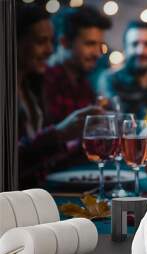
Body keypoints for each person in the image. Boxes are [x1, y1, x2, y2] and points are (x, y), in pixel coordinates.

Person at [16, 4, 102, 188]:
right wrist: (61, 134)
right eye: (41, 41)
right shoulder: (44, 81)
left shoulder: (29, 87)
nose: (49, 50)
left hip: (40, 189)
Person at [43, 6, 111, 124]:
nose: (97, 54)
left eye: (99, 45)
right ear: (64, 42)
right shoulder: (44, 81)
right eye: (90, 44)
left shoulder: (82, 82)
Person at [98, 22, 147, 119]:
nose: (140, 51)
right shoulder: (110, 80)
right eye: (134, 44)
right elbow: (119, 122)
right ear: (125, 48)